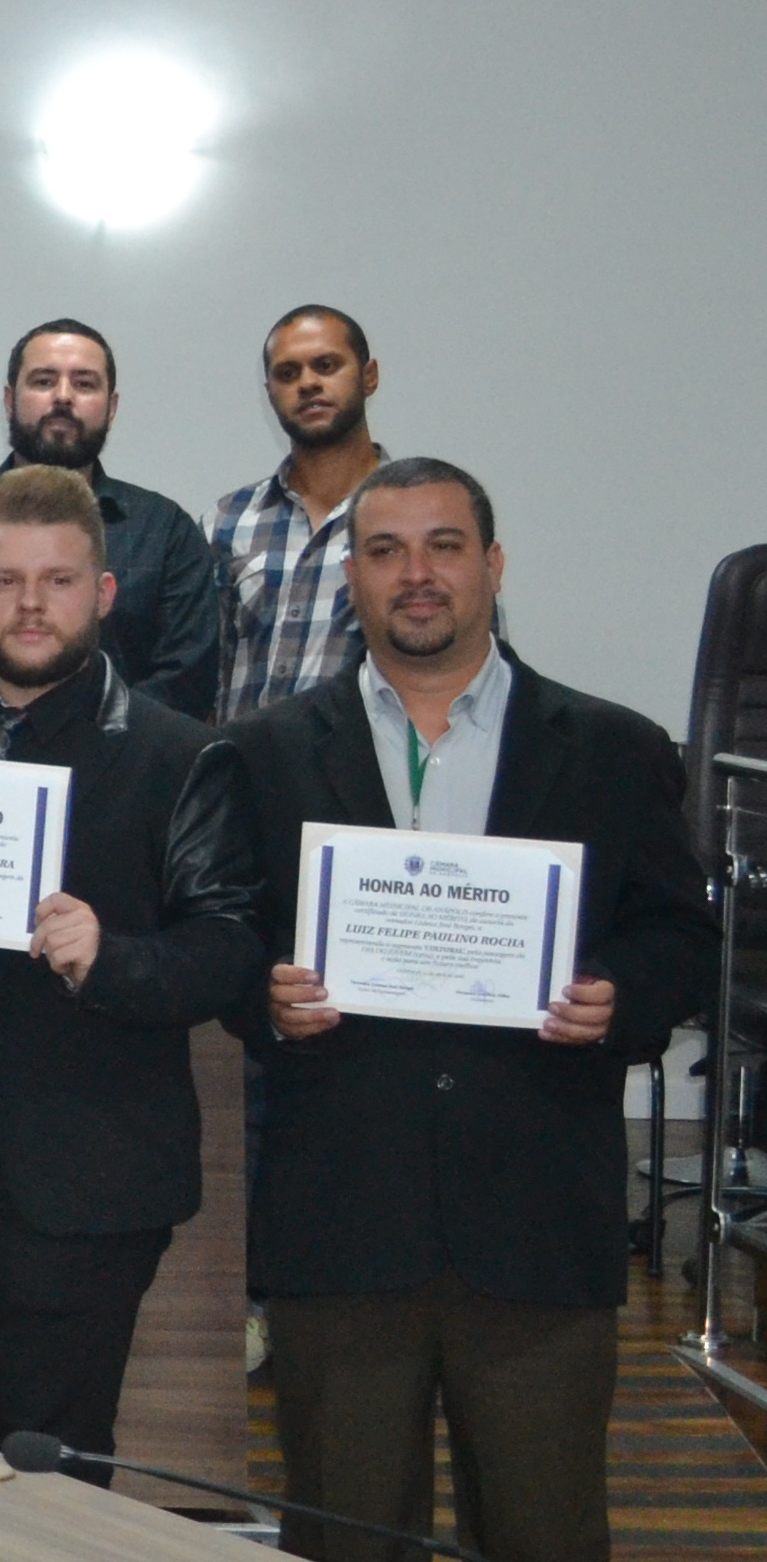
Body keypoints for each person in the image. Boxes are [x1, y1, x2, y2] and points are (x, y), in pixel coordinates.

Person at [237, 458, 715, 1562]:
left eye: (445, 547)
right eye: (387, 550)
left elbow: (679, 937)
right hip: (344, 1225)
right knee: (347, 1538)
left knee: (547, 1536)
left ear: (493, 567)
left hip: (539, 1225)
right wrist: (264, 993)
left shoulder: (612, 747)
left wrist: (621, 997)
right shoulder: (264, 754)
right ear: (350, 577)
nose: (418, 575)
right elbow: (233, 941)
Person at [0, 465, 263, 1469]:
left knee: (48, 1468)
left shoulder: (180, 757)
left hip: (75, 1179)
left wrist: (107, 958)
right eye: (4, 580)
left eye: (59, 580)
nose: (30, 604)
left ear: (104, 596)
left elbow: (229, 952)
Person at [0, 321, 224, 717]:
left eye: (84, 384)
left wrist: (92, 744)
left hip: (124, 768)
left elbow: (187, 673)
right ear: (10, 400)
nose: (63, 397)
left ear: (112, 407)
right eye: (44, 381)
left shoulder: (165, 530)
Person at [209, 304, 385, 722]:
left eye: (326, 365)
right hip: (242, 776)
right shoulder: (227, 522)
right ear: (269, 392)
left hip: (371, 780)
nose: (308, 383)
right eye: (288, 374)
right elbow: (200, 676)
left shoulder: (420, 519)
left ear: (369, 376)